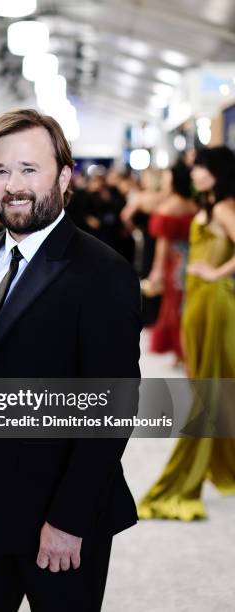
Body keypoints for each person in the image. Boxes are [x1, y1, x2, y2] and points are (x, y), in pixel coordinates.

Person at [0, 109, 141, 611]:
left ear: (64, 177)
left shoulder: (103, 272)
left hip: (61, 524)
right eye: (1, 171)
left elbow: (110, 410)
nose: (14, 186)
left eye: (30, 169)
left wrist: (69, 520)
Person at [138, 146, 235, 521]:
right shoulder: (212, 206)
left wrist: (216, 272)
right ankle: (224, 462)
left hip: (215, 303)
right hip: (197, 302)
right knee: (208, 384)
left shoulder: (225, 207)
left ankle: (185, 476)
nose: (193, 174)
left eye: (200, 169)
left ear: (217, 172)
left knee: (208, 389)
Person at [142, 162, 197, 362]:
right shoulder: (194, 204)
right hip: (193, 258)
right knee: (185, 304)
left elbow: (163, 244)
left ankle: (179, 350)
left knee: (173, 306)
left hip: (174, 263)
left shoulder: (170, 205)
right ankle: (186, 348)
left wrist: (156, 270)